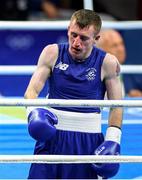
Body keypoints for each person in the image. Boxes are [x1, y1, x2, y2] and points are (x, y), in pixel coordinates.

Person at [24, 9, 123, 179]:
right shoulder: (52, 53)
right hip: (52, 137)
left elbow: (117, 106)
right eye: (73, 35)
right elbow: (31, 91)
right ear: (68, 29)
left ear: (96, 39)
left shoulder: (107, 63)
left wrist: (113, 140)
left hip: (87, 141)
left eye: (83, 38)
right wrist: (33, 112)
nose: (76, 42)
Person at [96, 29, 126, 97]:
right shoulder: (98, 73)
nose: (121, 49)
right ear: (102, 50)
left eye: (121, 44)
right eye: (114, 45)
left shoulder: (127, 69)